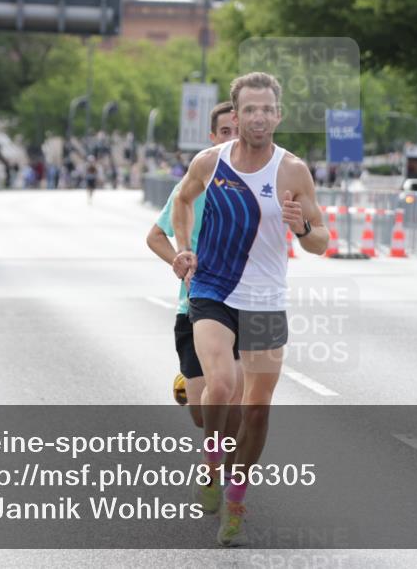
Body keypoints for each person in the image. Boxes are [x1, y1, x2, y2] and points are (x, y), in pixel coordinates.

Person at [171, 72, 329, 546]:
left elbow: (321, 241)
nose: (258, 117)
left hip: (265, 299)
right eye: (250, 109)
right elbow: (182, 201)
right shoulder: (209, 162)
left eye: (267, 109)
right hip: (213, 290)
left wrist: (302, 228)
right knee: (220, 384)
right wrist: (184, 249)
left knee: (257, 410)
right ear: (235, 116)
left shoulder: (293, 171)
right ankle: (213, 461)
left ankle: (236, 497)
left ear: (278, 116)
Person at [146, 102, 241, 429]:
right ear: (212, 137)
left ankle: (224, 472)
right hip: (195, 305)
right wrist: (180, 260)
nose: (231, 139)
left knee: (230, 399)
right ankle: (189, 382)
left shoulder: (261, 186)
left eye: (238, 132)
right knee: (204, 414)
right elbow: (156, 236)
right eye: (225, 132)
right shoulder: (191, 188)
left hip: (245, 304)